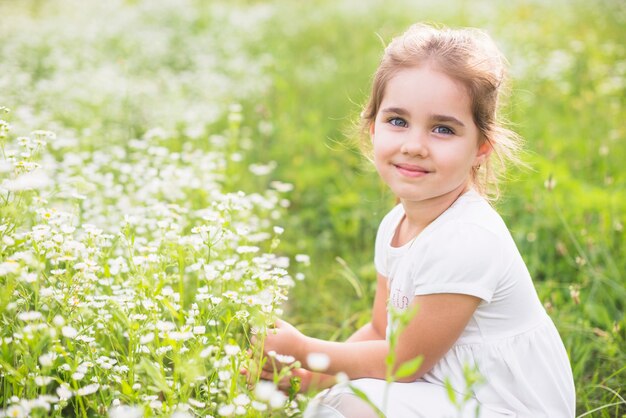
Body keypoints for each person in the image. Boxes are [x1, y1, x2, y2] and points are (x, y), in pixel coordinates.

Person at [252, 23, 576, 417]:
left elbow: (404, 362)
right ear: (372, 128)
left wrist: (305, 354)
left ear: (481, 147)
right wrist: (306, 372)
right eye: (397, 121)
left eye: (443, 129)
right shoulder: (396, 224)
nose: (414, 146)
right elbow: (378, 332)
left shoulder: (468, 239)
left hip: (503, 406)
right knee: (336, 401)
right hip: (446, 393)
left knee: (347, 404)